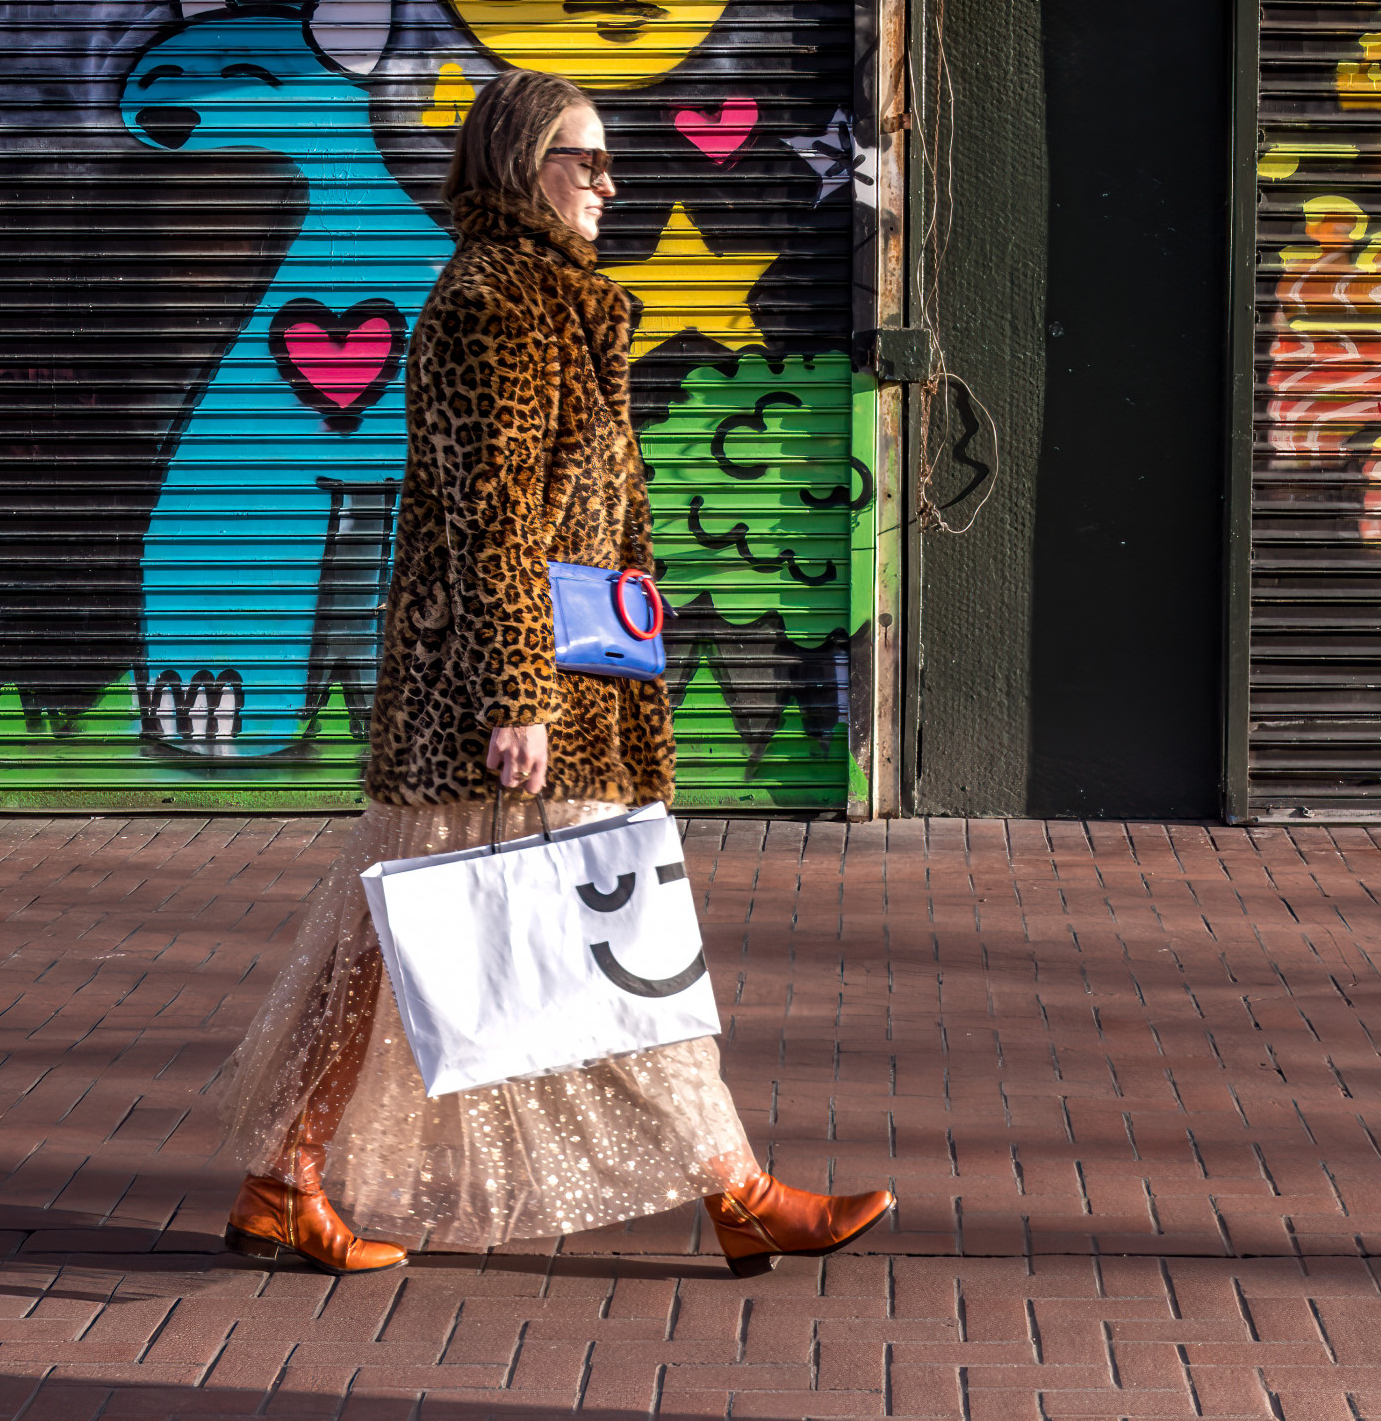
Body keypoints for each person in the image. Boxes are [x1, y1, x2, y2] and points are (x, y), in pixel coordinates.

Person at [216, 68, 893, 1278]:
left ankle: (282, 1179)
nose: (609, 185)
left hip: (558, 672)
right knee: (617, 932)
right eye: (588, 160)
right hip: (509, 689)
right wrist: (518, 695)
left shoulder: (551, 300)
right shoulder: (495, 306)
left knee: (385, 939)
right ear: (524, 163)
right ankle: (736, 1189)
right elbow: (491, 520)